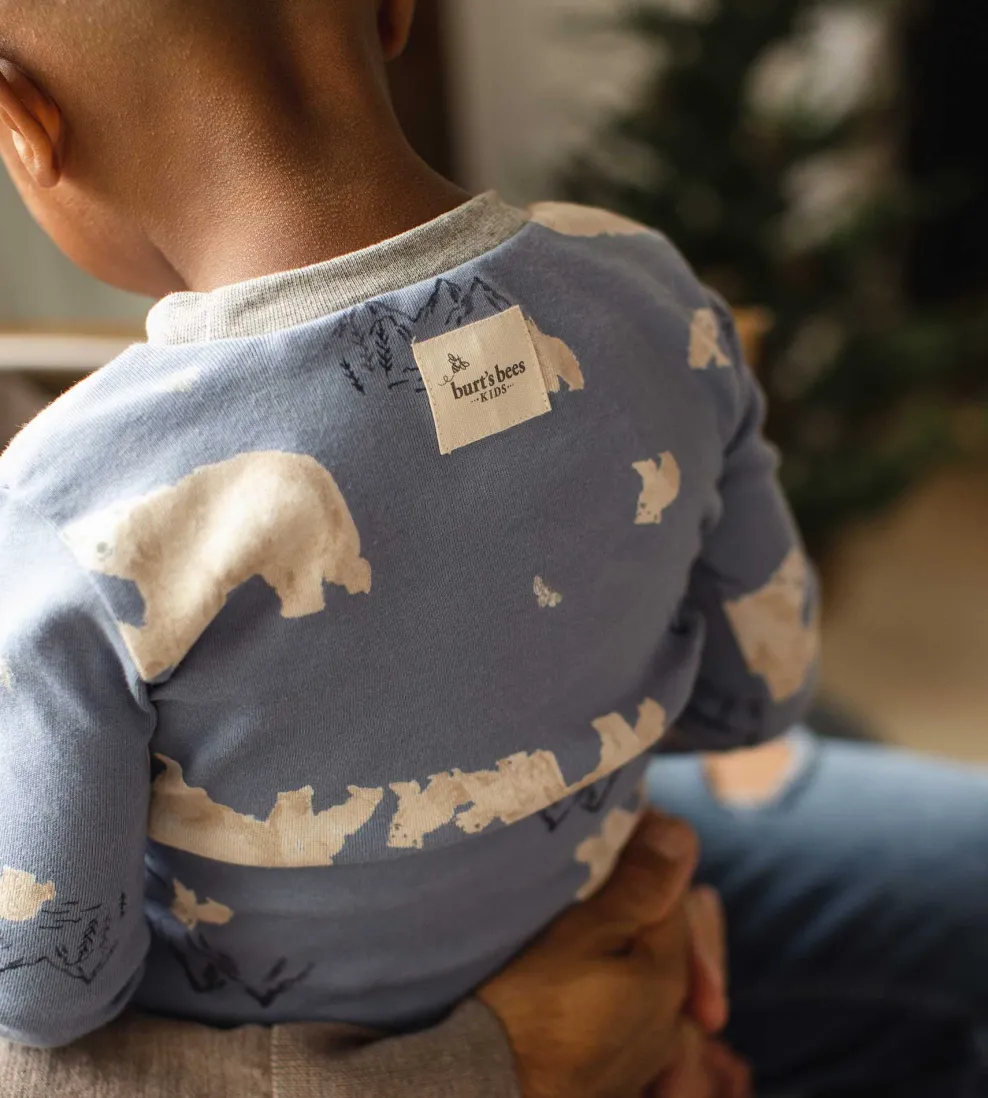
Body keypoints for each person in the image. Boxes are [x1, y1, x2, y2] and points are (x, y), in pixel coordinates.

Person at [0, 0, 820, 1061]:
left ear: (24, 121)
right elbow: (760, 687)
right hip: (606, 970)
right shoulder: (654, 295)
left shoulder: (72, 509)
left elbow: (45, 992)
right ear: (394, 13)